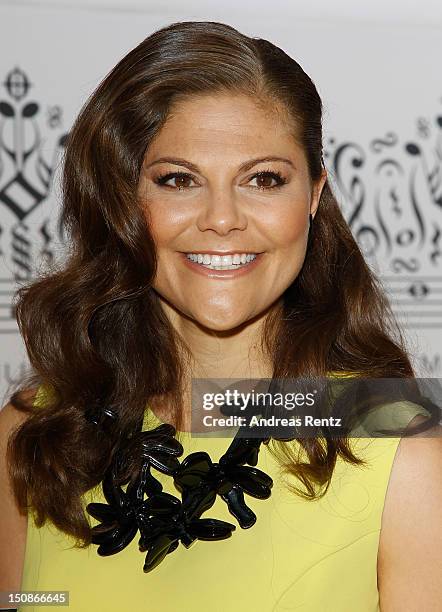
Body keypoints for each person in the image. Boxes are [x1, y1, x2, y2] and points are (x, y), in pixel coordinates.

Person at [0, 20, 441, 612]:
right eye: (179, 180)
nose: (222, 218)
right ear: (123, 199)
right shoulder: (36, 432)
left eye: (263, 179)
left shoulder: (399, 452)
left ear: (313, 195)